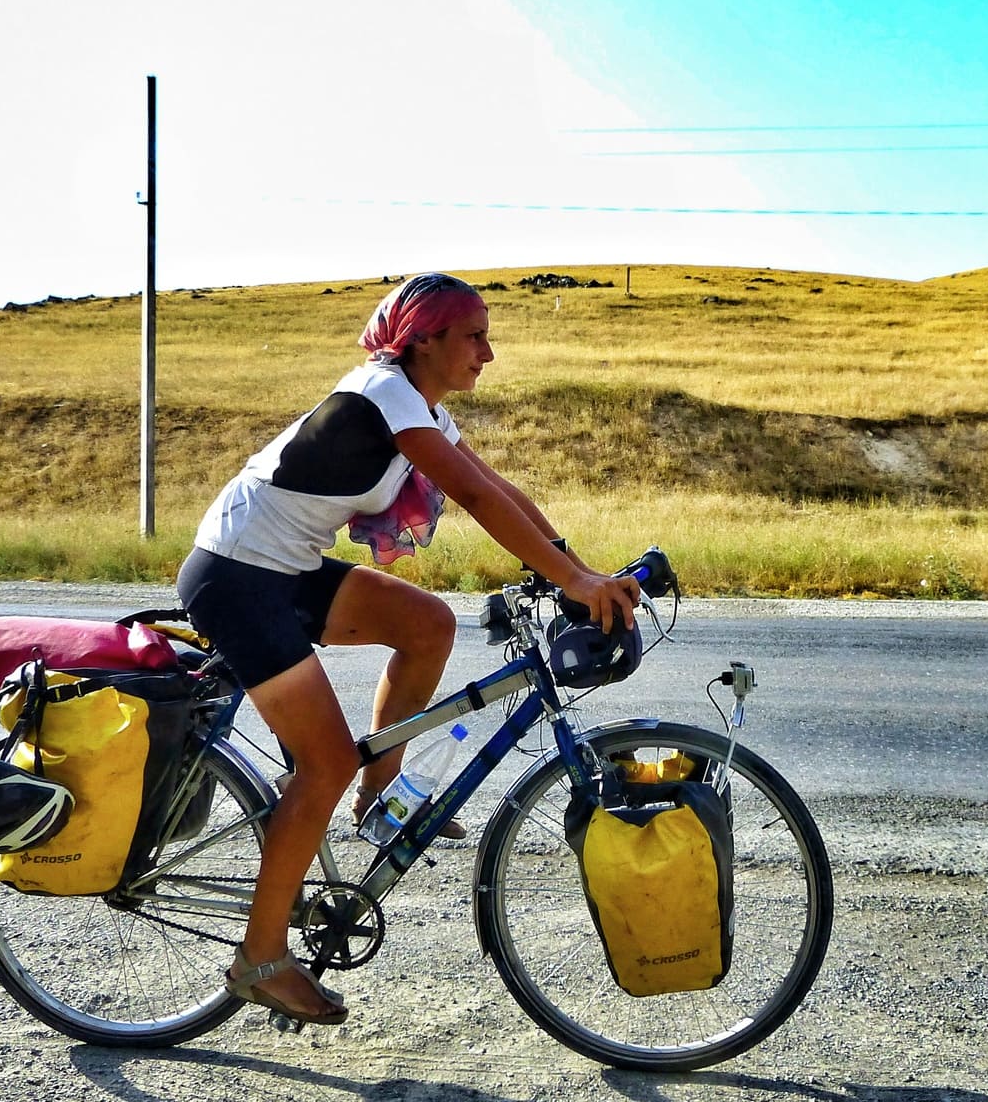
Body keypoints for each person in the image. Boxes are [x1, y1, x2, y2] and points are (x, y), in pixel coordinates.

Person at [176, 271, 640, 1025]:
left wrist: (574, 568)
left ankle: (378, 795)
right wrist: (576, 581)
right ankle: (259, 958)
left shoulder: (416, 404)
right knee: (322, 759)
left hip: (280, 566)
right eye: (474, 335)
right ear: (421, 339)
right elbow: (479, 499)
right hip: (238, 576)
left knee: (428, 625)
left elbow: (496, 484)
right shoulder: (386, 391)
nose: (487, 352)